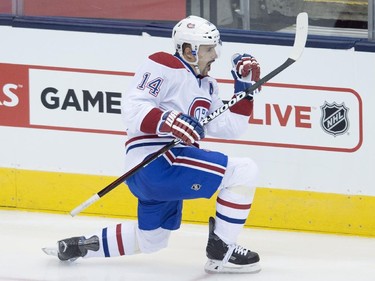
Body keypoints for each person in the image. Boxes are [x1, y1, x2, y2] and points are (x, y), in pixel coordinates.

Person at [52, 15, 262, 274]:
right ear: (189, 50)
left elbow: (233, 127)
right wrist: (169, 121)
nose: (215, 55)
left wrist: (246, 88)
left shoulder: (208, 86)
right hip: (156, 160)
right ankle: (223, 249)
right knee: (244, 171)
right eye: (209, 49)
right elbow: (133, 107)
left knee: (152, 240)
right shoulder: (163, 64)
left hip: (156, 174)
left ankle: (79, 246)